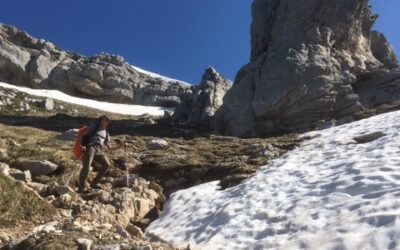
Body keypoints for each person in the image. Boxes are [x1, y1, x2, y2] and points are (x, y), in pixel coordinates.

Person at [78, 115, 115, 193]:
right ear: (100, 120)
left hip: (99, 150)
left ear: (108, 123)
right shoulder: (94, 127)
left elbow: (110, 148)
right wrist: (81, 145)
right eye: (103, 120)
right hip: (90, 147)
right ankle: (81, 187)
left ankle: (94, 183)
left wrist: (122, 146)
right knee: (87, 167)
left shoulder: (106, 134)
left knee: (106, 164)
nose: (104, 122)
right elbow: (82, 133)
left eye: (106, 121)